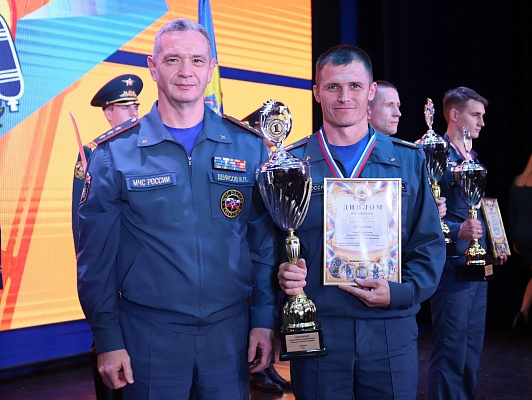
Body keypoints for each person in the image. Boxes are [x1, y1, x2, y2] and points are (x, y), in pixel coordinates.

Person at [76, 18, 277, 399]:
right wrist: (107, 338)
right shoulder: (114, 153)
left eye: (197, 61)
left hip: (229, 336)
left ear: (210, 68)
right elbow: (95, 261)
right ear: (153, 67)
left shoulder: (247, 146)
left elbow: (263, 245)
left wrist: (264, 318)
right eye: (173, 60)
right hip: (149, 336)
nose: (186, 71)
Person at [277, 44, 445, 399]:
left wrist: (401, 292)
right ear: (317, 92)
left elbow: (428, 244)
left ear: (371, 91)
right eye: (333, 87)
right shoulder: (291, 165)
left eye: (354, 86)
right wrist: (284, 275)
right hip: (317, 326)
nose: (344, 97)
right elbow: (268, 247)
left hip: (390, 328)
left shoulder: (407, 161)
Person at [427, 86, 508, 399]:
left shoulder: (471, 157)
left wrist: (493, 245)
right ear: (454, 114)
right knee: (451, 348)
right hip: (451, 266)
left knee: (472, 347)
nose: (482, 122)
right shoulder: (434, 154)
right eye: (476, 115)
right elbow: (422, 216)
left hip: (476, 262)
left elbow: (477, 210)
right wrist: (456, 229)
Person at [72, 73, 143, 400]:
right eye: (125, 107)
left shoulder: (146, 150)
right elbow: (84, 228)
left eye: (136, 106)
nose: (133, 113)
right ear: (108, 111)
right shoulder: (94, 155)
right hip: (112, 276)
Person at [509, 152, 532, 328]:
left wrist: (514, 240)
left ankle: (523, 311)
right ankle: (523, 311)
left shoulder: (517, 181)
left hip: (521, 234)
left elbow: (512, 213)